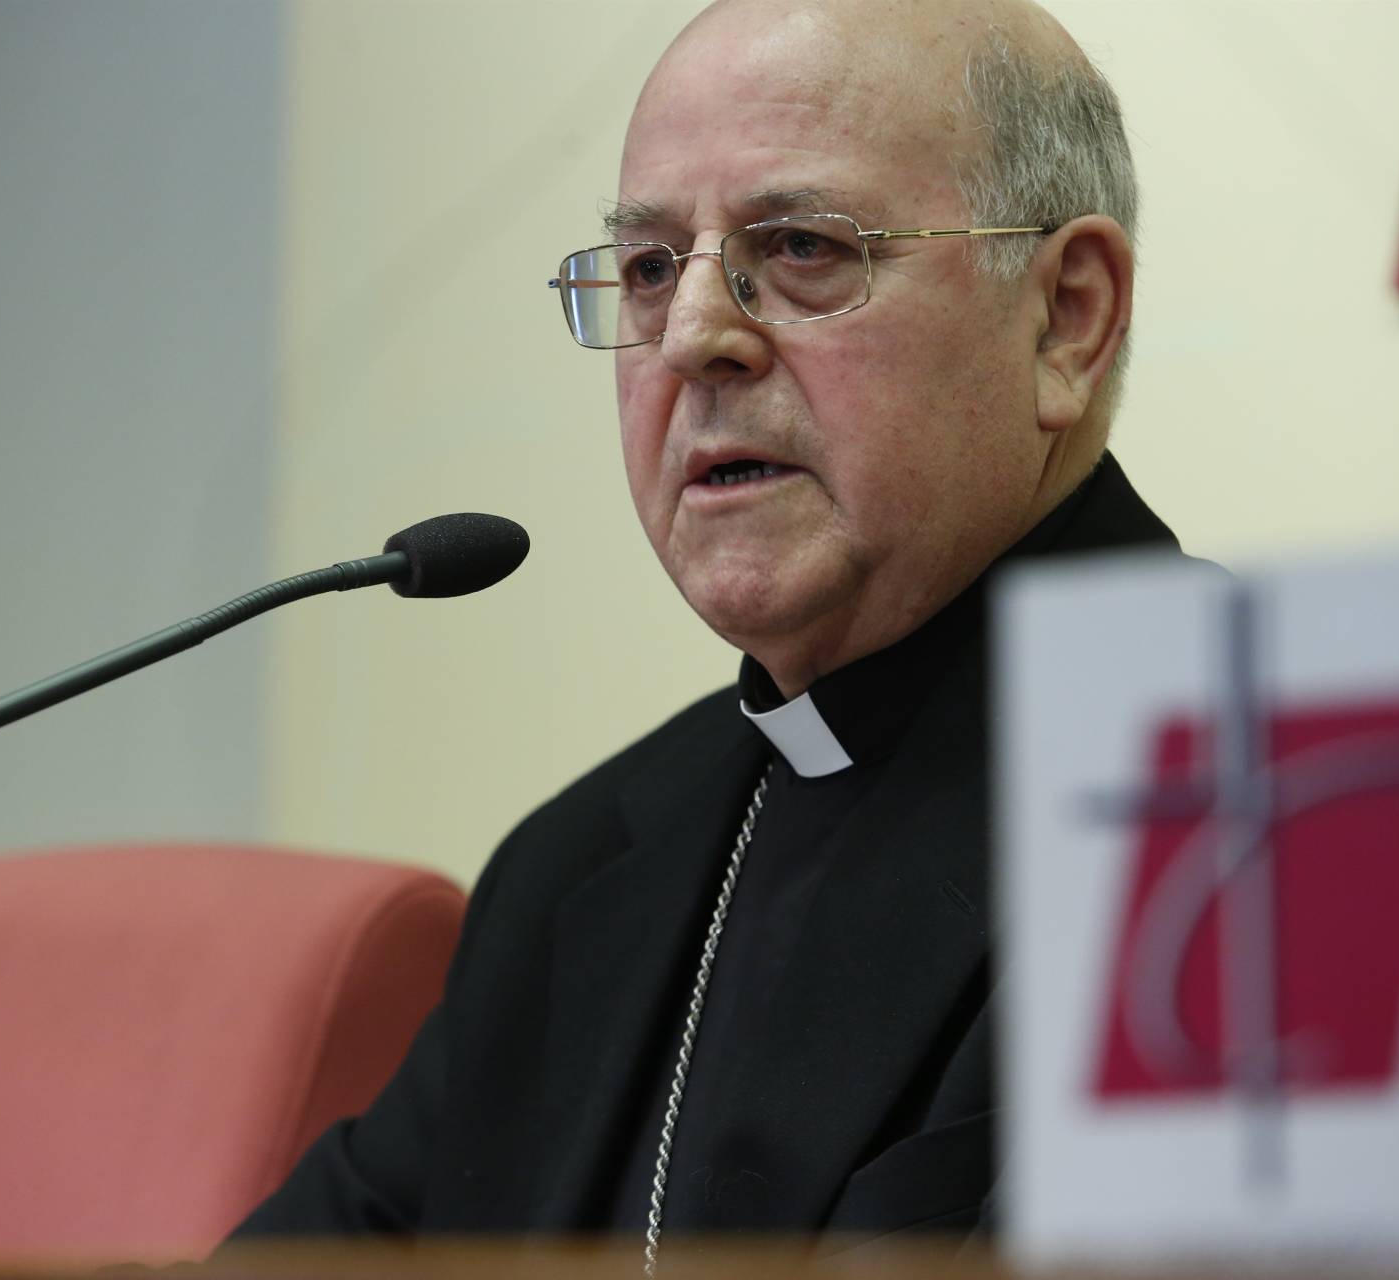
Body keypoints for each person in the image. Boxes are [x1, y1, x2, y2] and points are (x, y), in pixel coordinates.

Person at [235, 0, 1163, 1255]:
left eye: (802, 247)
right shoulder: (571, 874)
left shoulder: (1283, 816)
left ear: (1066, 316)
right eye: (651, 266)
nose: (693, 339)